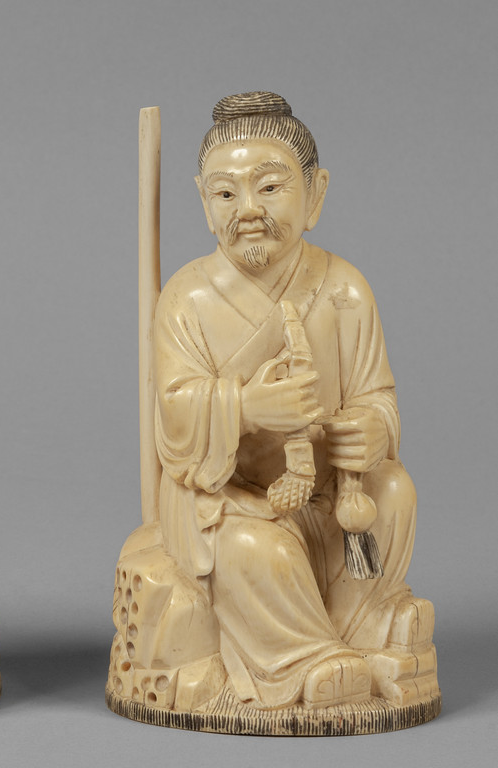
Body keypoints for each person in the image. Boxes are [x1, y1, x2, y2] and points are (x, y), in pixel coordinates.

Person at [150, 92, 431, 710]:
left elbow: (377, 397)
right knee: (255, 549)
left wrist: (371, 431)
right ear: (203, 202)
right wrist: (245, 409)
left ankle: (360, 628)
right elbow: (172, 416)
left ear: (316, 194)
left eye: (270, 188)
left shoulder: (344, 290)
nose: (248, 210)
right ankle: (306, 659)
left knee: (394, 491)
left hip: (331, 492)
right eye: (226, 193)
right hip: (231, 499)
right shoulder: (187, 298)